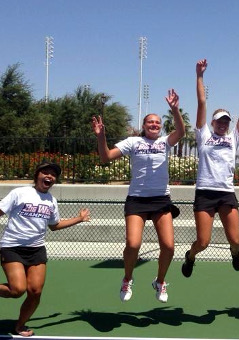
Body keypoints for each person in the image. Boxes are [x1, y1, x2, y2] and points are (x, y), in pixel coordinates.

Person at [0, 162, 90, 337]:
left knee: (35, 291)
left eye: (53, 174)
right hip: (12, 247)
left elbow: (54, 225)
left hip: (36, 250)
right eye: (45, 172)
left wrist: (78, 219)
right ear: (37, 175)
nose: (49, 176)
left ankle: (19, 326)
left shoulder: (51, 201)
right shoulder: (20, 193)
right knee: (17, 290)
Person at [91, 88, 185, 303]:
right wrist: (101, 136)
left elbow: (180, 132)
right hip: (137, 200)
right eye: (150, 122)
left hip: (161, 200)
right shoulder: (133, 142)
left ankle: (160, 281)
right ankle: (127, 278)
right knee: (133, 245)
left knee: (169, 246)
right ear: (143, 126)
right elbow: (106, 157)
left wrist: (175, 109)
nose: (154, 125)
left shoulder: (164, 143)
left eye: (157, 122)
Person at [181, 59, 239, 277]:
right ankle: (190, 256)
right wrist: (199, 76)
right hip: (205, 192)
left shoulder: (234, 137)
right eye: (219, 121)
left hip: (226, 193)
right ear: (213, 123)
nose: (223, 124)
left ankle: (235, 254)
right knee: (203, 242)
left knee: (236, 240)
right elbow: (201, 103)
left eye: (226, 121)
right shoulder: (203, 135)